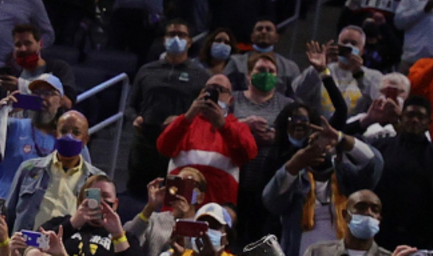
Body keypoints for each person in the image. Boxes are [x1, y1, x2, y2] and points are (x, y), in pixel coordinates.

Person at [263, 116, 383, 256]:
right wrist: (294, 164)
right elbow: (270, 201)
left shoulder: (348, 178)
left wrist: (340, 138)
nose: (321, 148)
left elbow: (374, 163)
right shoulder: (295, 180)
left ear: (337, 154)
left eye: (328, 144)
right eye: (314, 143)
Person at [126, 21, 210, 197]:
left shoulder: (201, 75)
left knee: (174, 198)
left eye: (181, 35)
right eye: (172, 35)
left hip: (179, 145)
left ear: (189, 42)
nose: (176, 38)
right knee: (137, 193)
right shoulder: (147, 70)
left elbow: (206, 113)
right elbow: (130, 105)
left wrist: (182, 119)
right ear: (164, 40)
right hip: (145, 141)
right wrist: (135, 117)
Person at [156, 74, 256, 206]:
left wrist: (223, 126)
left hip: (216, 209)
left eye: (220, 90)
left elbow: (248, 154)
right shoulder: (184, 122)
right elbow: (163, 147)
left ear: (230, 100)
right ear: (201, 93)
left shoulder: (238, 127)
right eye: (210, 88)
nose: (214, 93)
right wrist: (188, 116)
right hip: (178, 207)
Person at [0, 74, 69, 200]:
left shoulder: (67, 140)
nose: (42, 97)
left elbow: (86, 180)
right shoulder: (12, 126)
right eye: (37, 93)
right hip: (3, 204)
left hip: (44, 210)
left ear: (60, 101)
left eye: (48, 93)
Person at [233, 53, 295, 241]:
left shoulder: (287, 105)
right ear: (248, 75)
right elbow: (218, 127)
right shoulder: (233, 100)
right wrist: (245, 126)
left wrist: (277, 138)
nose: (266, 74)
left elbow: (297, 138)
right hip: (235, 179)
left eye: (271, 71)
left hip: (269, 183)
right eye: (260, 70)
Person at [6, 110, 100, 232]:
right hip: (26, 245)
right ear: (56, 135)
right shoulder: (29, 169)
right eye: (64, 131)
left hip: (67, 248)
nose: (69, 136)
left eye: (76, 132)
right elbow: (9, 213)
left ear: (85, 140)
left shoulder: (95, 179)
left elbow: (94, 223)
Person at [364, 96, 433, 250]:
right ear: (401, 117)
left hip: (421, 237)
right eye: (410, 115)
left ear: (428, 123)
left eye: (420, 117)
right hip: (380, 233)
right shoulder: (380, 147)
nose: (414, 120)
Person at [295, 28, 385, 121]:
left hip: (354, 130)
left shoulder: (374, 76)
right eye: (344, 42)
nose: (348, 46)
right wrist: (316, 69)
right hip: (320, 127)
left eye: (354, 43)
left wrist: (359, 75)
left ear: (362, 50)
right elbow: (297, 93)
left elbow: (377, 105)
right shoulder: (321, 70)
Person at [300, 190, 420, 256]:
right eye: (361, 207)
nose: (368, 213)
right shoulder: (318, 252)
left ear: (379, 219)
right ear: (345, 215)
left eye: (375, 209)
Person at [37, 175, 133, 256]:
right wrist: (71, 224)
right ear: (82, 199)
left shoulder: (127, 237)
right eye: (94, 196)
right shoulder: (60, 223)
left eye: (105, 196)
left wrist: (118, 235)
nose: (100, 202)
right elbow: (36, 243)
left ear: (115, 204)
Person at [122, 168, 210, 256]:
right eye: (178, 183)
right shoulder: (155, 219)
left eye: (189, 184)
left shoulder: (201, 227)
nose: (182, 189)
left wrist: (185, 220)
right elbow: (128, 239)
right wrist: (150, 207)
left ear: (200, 197)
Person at [227, 19, 302, 93]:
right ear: (252, 37)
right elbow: (223, 88)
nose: (263, 31)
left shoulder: (290, 67)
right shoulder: (236, 62)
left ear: (277, 38)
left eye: (268, 29)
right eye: (259, 29)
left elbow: (298, 96)